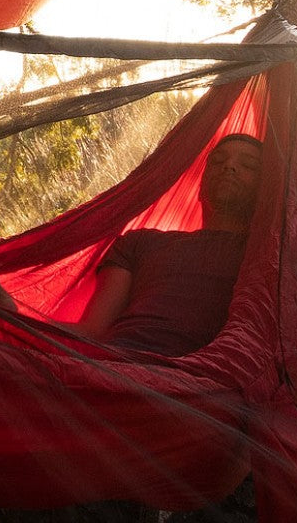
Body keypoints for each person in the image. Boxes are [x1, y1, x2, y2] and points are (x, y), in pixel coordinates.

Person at [71, 133, 264, 356]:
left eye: (249, 165)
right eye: (218, 161)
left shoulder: (264, 256)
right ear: (200, 186)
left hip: (195, 378)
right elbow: (90, 331)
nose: (229, 166)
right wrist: (22, 326)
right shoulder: (140, 242)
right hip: (112, 365)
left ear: (266, 190)